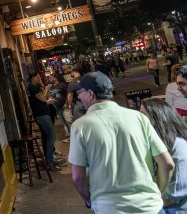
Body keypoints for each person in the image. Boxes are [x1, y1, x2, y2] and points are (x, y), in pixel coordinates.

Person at [68, 71, 174, 213]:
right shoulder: (138, 117)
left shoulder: (80, 126)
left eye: (80, 92)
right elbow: (167, 164)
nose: (79, 97)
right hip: (150, 207)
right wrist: (157, 193)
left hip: (110, 208)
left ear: (90, 93)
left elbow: (78, 177)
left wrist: (89, 200)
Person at [140, 98, 187, 213]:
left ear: (158, 118)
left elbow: (176, 192)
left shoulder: (178, 145)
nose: (139, 119)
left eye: (143, 115)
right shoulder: (157, 144)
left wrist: (147, 202)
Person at [27, 73, 64, 171]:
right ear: (32, 78)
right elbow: (43, 99)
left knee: (48, 137)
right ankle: (50, 162)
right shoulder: (33, 88)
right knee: (51, 136)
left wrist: (45, 90)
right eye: (37, 77)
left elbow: (45, 98)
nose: (39, 78)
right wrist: (47, 89)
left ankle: (50, 159)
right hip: (41, 115)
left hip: (44, 114)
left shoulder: (37, 87)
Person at [48, 75, 71, 143]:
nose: (49, 79)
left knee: (69, 121)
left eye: (50, 77)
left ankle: (74, 135)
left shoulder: (62, 85)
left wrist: (66, 103)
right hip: (58, 107)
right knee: (63, 123)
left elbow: (69, 93)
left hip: (65, 106)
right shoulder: (51, 87)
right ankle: (69, 136)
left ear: (55, 78)